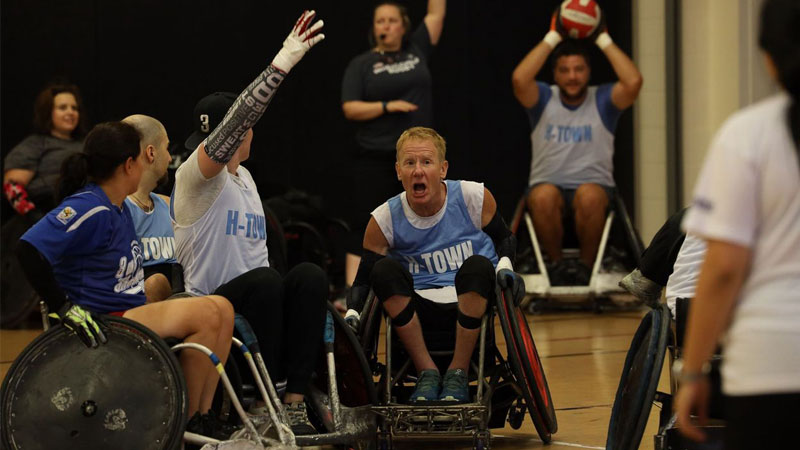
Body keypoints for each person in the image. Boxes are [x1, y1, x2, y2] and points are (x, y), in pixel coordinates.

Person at [15, 121, 236, 439]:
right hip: (108, 322)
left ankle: (201, 417)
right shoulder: (90, 207)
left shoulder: (116, 207)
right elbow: (27, 248)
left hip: (128, 316)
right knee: (208, 313)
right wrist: (62, 307)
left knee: (222, 308)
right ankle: (183, 423)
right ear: (129, 164)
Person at [172, 10, 327, 435]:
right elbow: (236, 122)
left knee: (309, 276)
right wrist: (282, 63)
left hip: (262, 307)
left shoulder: (247, 178)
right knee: (265, 281)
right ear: (244, 129)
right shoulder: (195, 175)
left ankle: (294, 397)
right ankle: (265, 397)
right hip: (213, 313)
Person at [674, 1, 800, 447]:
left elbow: (724, 267)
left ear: (768, 55)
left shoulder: (747, 134)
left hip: (770, 362)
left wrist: (693, 370)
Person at [345, 127, 517, 403]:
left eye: (426, 162)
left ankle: (458, 372)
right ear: (398, 171)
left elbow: (505, 240)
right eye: (410, 163)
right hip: (418, 310)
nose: (418, 171)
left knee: (477, 265)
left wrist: (506, 266)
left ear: (443, 169)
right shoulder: (384, 218)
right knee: (383, 270)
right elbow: (364, 280)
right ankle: (427, 371)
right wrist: (353, 313)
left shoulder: (473, 196)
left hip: (472, 296)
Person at [511, 7, 642, 284]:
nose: (572, 76)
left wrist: (603, 38)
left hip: (595, 187)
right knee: (543, 196)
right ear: (555, 75)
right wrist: (553, 36)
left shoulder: (604, 100)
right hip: (547, 185)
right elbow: (520, 79)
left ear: (588, 72)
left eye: (579, 69)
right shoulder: (544, 98)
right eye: (565, 70)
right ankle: (558, 267)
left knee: (589, 196)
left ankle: (585, 267)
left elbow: (633, 82)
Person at [341, 0, 446, 289]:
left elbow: (436, 12)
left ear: (403, 26)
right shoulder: (361, 64)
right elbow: (350, 108)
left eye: (391, 20)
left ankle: (430, 282)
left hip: (417, 158)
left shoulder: (417, 50)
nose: (385, 26)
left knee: (426, 215)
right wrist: (387, 106)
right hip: (375, 154)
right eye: (379, 21)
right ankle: (355, 295)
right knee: (366, 221)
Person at [4, 82, 87, 219]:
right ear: (48, 112)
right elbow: (12, 186)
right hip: (44, 215)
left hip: (81, 214)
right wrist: (34, 218)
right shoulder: (34, 145)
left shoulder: (87, 144)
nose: (70, 112)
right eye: (62, 107)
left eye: (74, 108)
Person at [122, 114, 178, 303]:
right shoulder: (117, 209)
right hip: (136, 323)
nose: (170, 158)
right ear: (151, 152)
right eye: (167, 148)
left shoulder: (170, 205)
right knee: (156, 284)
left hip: (180, 308)